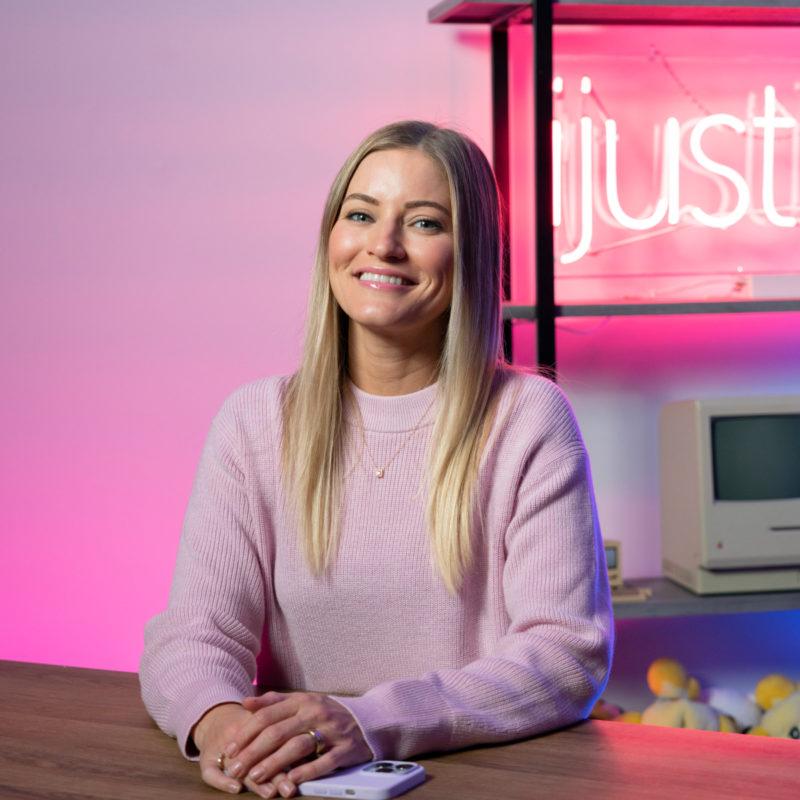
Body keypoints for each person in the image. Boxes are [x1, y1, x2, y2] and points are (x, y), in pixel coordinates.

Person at [140, 120, 613, 798]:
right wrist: (221, 728)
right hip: (292, 781)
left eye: (424, 223)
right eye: (360, 214)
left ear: (471, 253)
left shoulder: (528, 417)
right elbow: (191, 636)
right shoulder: (254, 421)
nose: (383, 245)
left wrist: (369, 721)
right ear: (332, 237)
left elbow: (567, 654)